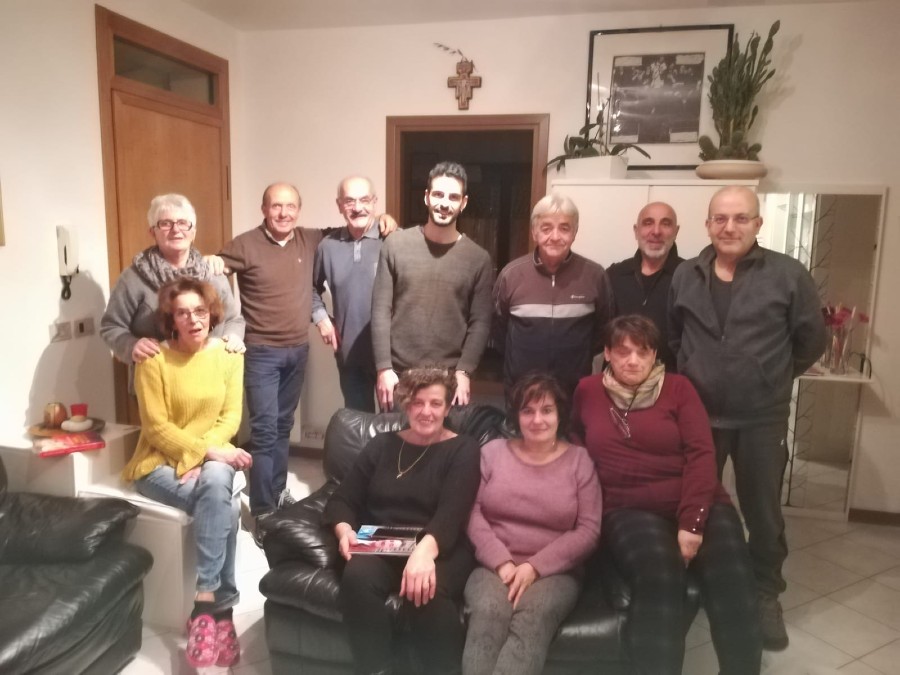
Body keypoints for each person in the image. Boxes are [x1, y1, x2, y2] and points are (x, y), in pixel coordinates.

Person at [668, 186, 826, 650]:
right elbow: (675, 337)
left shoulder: (788, 275)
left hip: (761, 418)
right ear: (707, 224)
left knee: (763, 511)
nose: (729, 227)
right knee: (693, 503)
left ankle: (765, 594)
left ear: (758, 223)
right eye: (720, 218)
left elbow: (811, 340)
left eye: (740, 218)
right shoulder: (686, 274)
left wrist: (770, 377)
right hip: (699, 416)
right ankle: (699, 582)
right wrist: (695, 369)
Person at [571, 315, 762, 675]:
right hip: (627, 507)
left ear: (655, 354)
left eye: (643, 352)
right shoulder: (587, 391)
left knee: (733, 575)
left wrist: (693, 521)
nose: (633, 361)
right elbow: (574, 439)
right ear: (607, 353)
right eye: (623, 351)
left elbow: (702, 453)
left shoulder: (678, 389)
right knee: (660, 576)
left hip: (697, 498)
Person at [210, 183, 395, 528]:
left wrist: (386, 218)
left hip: (298, 350)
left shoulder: (311, 239)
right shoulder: (244, 245)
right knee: (265, 430)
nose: (284, 213)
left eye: (290, 206)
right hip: (262, 352)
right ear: (264, 209)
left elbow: (356, 223)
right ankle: (263, 510)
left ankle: (278, 492)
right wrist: (226, 327)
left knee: (283, 425)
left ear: (299, 209)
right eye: (276, 206)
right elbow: (214, 275)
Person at [122, 277, 251, 670]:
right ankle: (221, 610)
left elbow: (230, 418)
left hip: (208, 461)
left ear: (211, 313)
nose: (193, 319)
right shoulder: (152, 360)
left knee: (217, 484)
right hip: (157, 465)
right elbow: (155, 428)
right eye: (183, 313)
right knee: (227, 505)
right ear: (171, 320)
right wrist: (203, 454)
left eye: (200, 311)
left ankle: (204, 603)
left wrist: (203, 458)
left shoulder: (229, 355)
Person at [324, 367, 481, 675]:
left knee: (426, 592)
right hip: (382, 539)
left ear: (448, 408)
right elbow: (342, 499)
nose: (426, 411)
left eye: (435, 403)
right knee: (356, 577)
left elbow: (452, 513)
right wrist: (344, 531)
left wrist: (423, 554)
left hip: (439, 545)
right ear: (407, 405)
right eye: (418, 403)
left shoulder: (464, 448)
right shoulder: (381, 445)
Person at [463, 374, 600, 675]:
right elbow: (471, 513)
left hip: (556, 571)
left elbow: (589, 530)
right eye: (528, 410)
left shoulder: (580, 461)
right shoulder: (492, 453)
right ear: (516, 415)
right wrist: (502, 562)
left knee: (532, 617)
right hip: (493, 565)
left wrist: (534, 566)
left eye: (547, 410)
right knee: (489, 611)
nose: (537, 419)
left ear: (560, 414)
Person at [372, 161, 493, 411]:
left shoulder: (478, 259)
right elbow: (380, 311)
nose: (444, 203)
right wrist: (383, 367)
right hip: (399, 376)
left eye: (453, 197)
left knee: (444, 438)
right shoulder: (395, 245)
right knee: (397, 437)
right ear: (427, 197)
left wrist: (465, 371)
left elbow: (480, 322)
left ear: (464, 203)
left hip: (449, 379)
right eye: (438, 194)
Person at [101, 193, 245, 373]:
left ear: (193, 232)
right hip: (155, 376)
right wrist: (131, 345)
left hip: (211, 374)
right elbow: (111, 326)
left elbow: (233, 319)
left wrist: (233, 337)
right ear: (152, 232)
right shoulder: (133, 278)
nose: (176, 230)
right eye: (165, 223)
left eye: (183, 223)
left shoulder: (213, 273)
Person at [491, 193, 612, 400]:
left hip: (575, 390)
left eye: (564, 228)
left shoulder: (595, 275)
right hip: (522, 389)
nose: (555, 236)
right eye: (546, 228)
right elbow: (499, 330)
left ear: (574, 232)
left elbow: (604, 331)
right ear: (534, 232)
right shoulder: (511, 275)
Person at [312, 176, 382, 412]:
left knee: (396, 426)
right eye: (350, 201)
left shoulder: (393, 240)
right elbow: (311, 289)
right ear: (339, 205)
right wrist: (321, 318)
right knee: (359, 425)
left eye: (364, 200)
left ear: (375, 202)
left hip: (392, 359)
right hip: (350, 355)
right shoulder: (327, 246)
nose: (358, 207)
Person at [606, 201, 682, 371]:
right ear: (636, 230)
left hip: (670, 379)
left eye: (666, 224)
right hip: (618, 379)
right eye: (648, 223)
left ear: (676, 231)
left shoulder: (689, 277)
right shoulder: (614, 275)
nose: (656, 231)